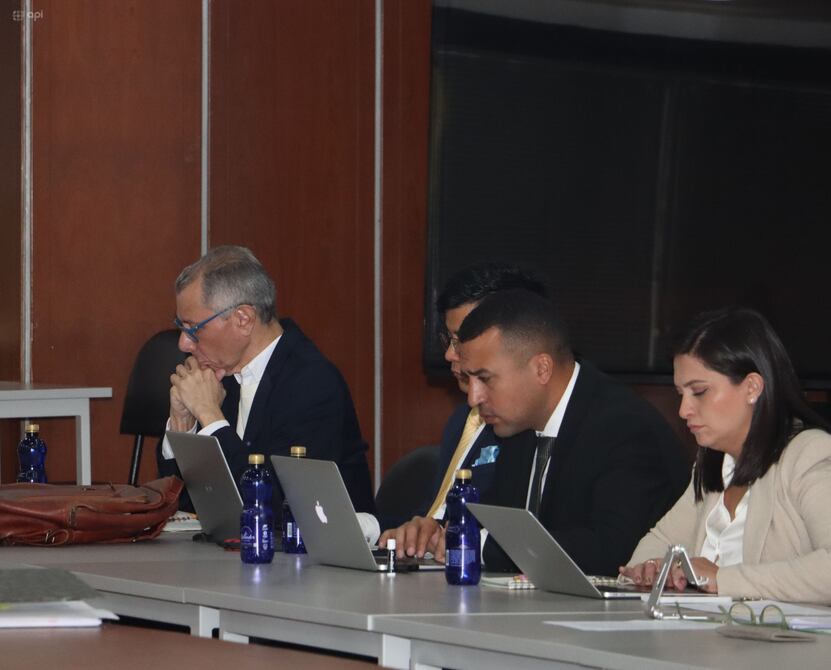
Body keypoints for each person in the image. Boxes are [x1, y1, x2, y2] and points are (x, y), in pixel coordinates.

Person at [386, 289, 690, 576]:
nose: (473, 398)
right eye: (470, 379)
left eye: (485, 379)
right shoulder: (517, 422)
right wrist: (442, 533)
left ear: (541, 368)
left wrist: (479, 545)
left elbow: (613, 552)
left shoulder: (626, 428)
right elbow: (505, 522)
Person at [621, 308, 831, 603]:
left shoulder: (808, 454)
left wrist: (723, 579)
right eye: (681, 394)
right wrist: (651, 568)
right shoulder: (715, 462)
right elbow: (658, 543)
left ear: (752, 387)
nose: (683, 410)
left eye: (699, 391)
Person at [158, 245, 374, 513]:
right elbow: (188, 504)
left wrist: (209, 415)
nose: (183, 343)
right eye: (180, 327)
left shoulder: (312, 383)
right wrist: (183, 424)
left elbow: (274, 506)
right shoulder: (219, 374)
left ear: (243, 319)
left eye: (193, 329)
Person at [375, 263, 547, 533]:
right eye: (449, 339)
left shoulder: (524, 425)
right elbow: (434, 516)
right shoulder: (462, 420)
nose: (449, 354)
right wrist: (372, 528)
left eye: (461, 341)